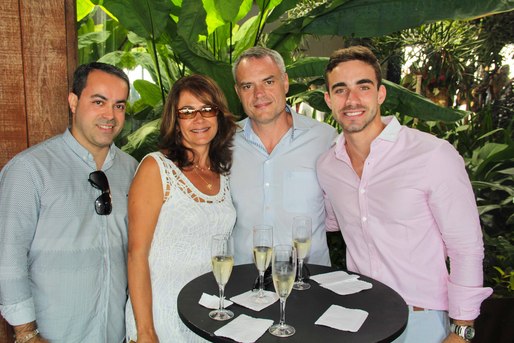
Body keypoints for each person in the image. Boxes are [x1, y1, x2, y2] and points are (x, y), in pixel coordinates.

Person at [318, 45, 492, 343]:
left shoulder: (432, 155)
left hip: (421, 321)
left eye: (363, 87)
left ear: (380, 94)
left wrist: (461, 332)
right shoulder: (328, 165)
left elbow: (466, 249)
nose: (352, 100)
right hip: (358, 316)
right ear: (329, 100)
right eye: (340, 90)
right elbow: (330, 221)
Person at [0, 62, 138, 342]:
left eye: (119, 105)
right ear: (73, 102)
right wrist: (27, 333)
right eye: (98, 101)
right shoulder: (30, 170)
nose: (110, 115)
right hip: (53, 333)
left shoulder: (132, 169)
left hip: (116, 333)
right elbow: (9, 258)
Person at [125, 74, 237, 342]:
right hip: (161, 313)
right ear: (175, 121)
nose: (198, 119)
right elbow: (135, 255)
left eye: (207, 109)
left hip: (208, 311)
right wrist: (145, 331)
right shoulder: (156, 168)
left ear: (219, 116)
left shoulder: (224, 173)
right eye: (187, 112)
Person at [230, 46, 337, 267]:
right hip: (243, 284)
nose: (259, 94)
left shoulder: (324, 139)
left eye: (268, 82)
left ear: (285, 82)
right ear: (238, 92)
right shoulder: (224, 143)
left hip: (309, 282)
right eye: (248, 86)